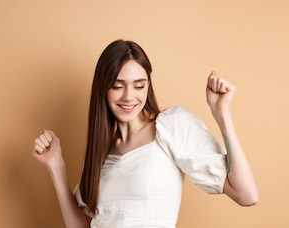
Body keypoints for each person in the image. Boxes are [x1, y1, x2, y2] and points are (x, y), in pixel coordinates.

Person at [33, 40, 258, 228]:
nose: (129, 97)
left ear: (148, 86)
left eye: (139, 86)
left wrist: (221, 113)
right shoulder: (100, 152)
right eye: (118, 86)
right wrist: (56, 166)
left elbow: (246, 194)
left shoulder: (171, 126)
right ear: (103, 88)